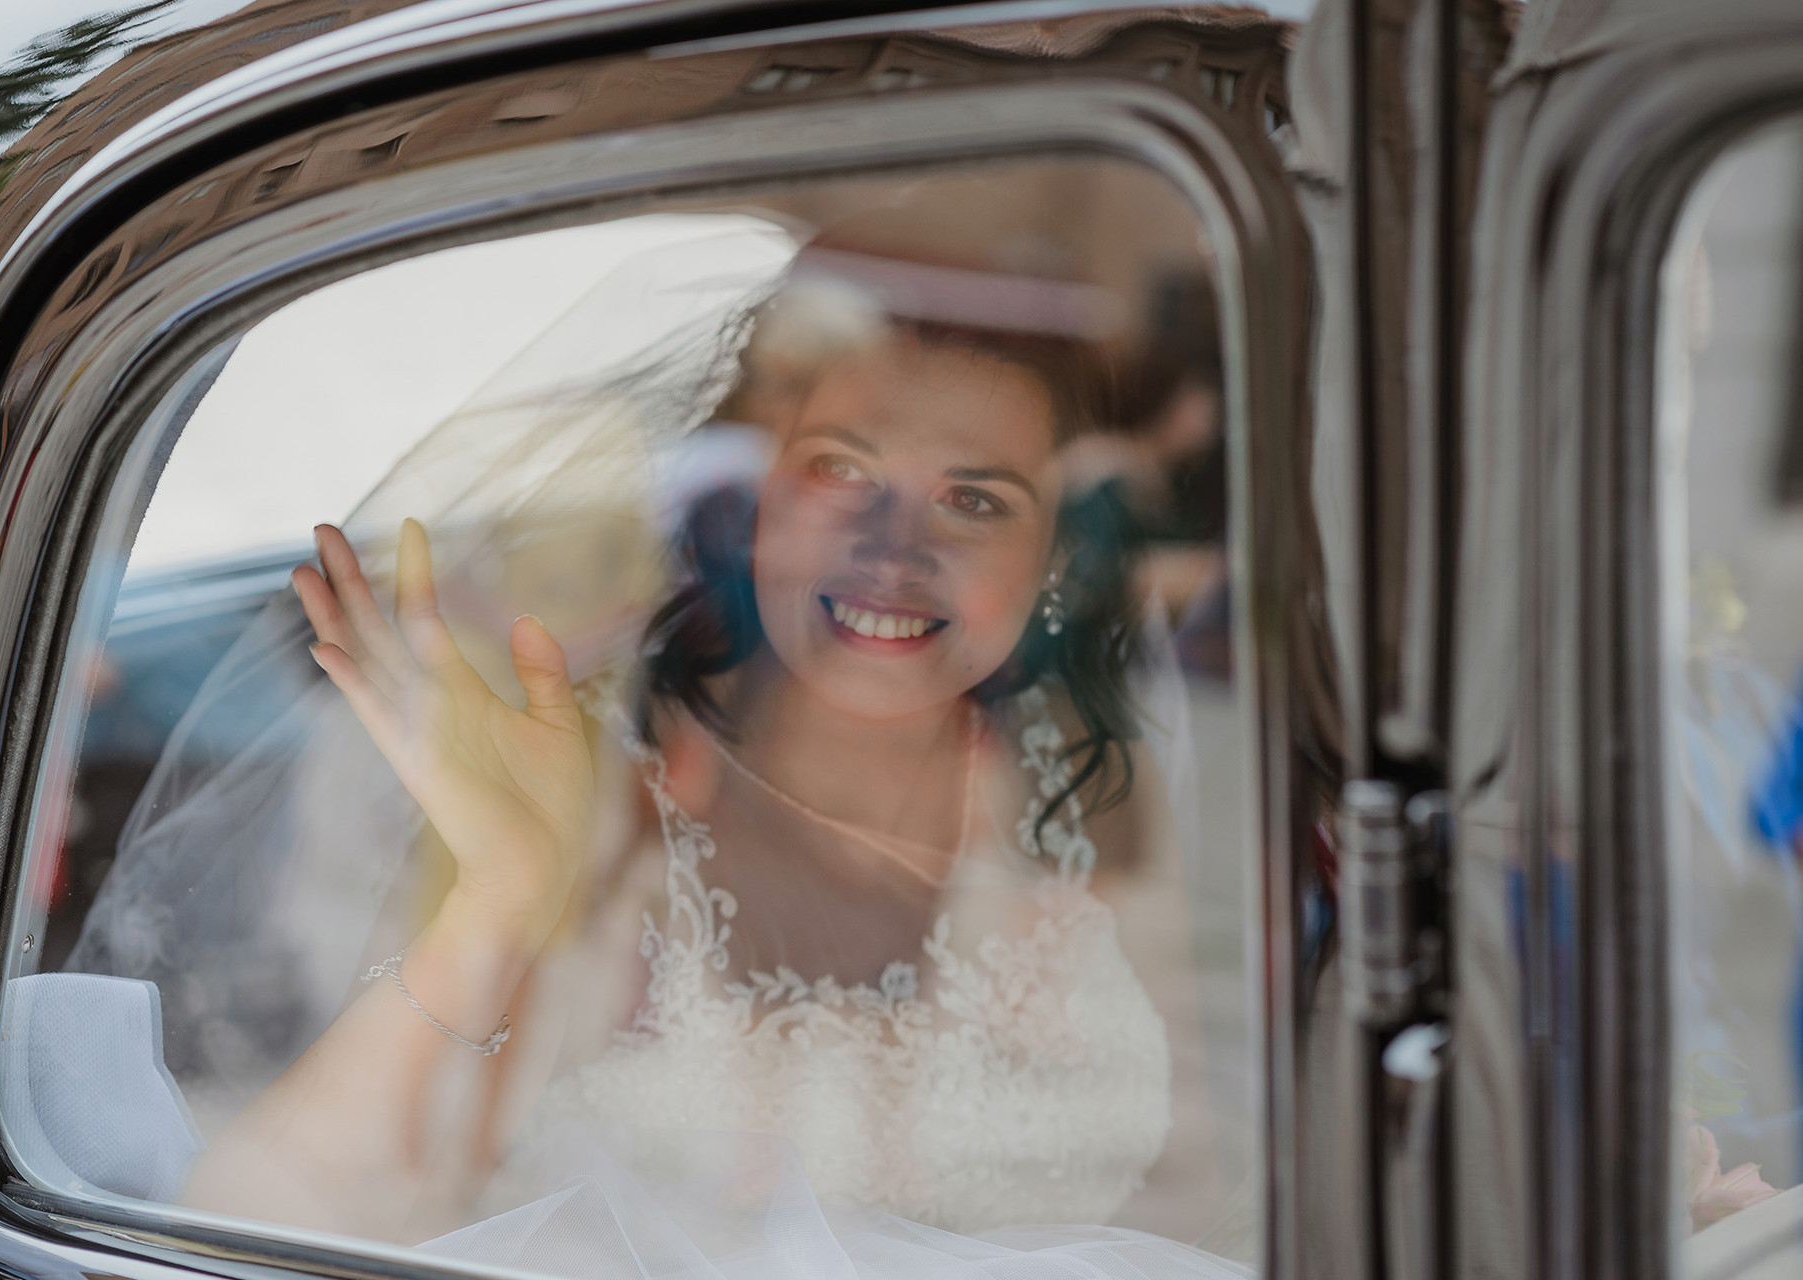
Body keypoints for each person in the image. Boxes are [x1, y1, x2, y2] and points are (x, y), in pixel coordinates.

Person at [75, 233, 1239, 1276]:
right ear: (760, 508)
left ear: (1047, 566)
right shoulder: (588, 781)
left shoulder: (1088, 811)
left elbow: (1208, 1199)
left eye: (973, 501)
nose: (894, 548)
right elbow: (266, 1211)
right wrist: (496, 900)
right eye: (841, 471)